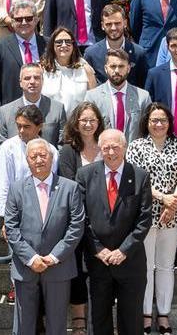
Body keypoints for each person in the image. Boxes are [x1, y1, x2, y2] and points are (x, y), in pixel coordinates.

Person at [5, 137, 85, 335]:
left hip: (59, 265)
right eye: (34, 156)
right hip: (26, 265)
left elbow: (76, 227)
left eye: (43, 155)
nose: (39, 160)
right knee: (24, 324)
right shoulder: (16, 189)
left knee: (57, 323)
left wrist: (54, 256)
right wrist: (31, 258)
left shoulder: (69, 187)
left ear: (51, 158)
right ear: (27, 160)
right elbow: (11, 228)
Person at [76, 129, 152, 335]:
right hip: (98, 262)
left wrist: (124, 250)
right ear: (100, 149)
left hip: (130, 262)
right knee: (99, 320)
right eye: (106, 147)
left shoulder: (140, 176)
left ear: (125, 148)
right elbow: (81, 218)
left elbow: (144, 220)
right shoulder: (85, 175)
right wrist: (98, 249)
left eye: (115, 147)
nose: (111, 152)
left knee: (131, 320)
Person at [125, 104, 177, 335]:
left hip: (173, 215)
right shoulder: (136, 146)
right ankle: (145, 315)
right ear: (147, 122)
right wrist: (164, 198)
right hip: (145, 215)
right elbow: (135, 178)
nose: (158, 124)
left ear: (169, 122)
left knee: (165, 266)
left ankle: (163, 314)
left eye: (162, 120)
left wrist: (174, 202)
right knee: (146, 266)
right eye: (154, 120)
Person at [56, 101, 103, 333]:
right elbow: (69, 184)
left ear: (99, 122)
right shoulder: (67, 150)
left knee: (101, 271)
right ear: (76, 122)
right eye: (83, 120)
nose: (87, 124)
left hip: (104, 222)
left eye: (92, 120)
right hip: (75, 221)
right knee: (75, 270)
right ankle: (78, 320)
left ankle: (102, 318)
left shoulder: (106, 146)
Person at [0, 46, 66, 145]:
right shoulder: (5, 112)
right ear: (20, 82)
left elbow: (62, 144)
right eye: (27, 78)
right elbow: (1, 147)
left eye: (36, 78)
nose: (32, 82)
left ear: (42, 81)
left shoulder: (57, 109)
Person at [84, 49, 153, 140]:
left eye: (121, 66)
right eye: (113, 66)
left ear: (128, 68)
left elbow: (149, 130)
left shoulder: (143, 97)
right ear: (105, 68)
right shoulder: (92, 97)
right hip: (103, 151)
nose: (117, 70)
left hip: (133, 152)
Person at [0, 104, 52, 212]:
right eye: (19, 126)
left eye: (26, 127)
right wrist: (5, 216)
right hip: (16, 209)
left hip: (44, 210)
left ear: (39, 127)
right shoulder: (7, 148)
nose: (21, 130)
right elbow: (4, 184)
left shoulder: (51, 150)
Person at [82, 3, 148, 86]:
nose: (113, 28)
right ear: (102, 26)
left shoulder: (139, 53)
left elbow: (143, 85)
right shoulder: (91, 54)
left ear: (125, 23)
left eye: (117, 23)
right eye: (108, 24)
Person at [39, 26, 98, 117]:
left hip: (76, 125)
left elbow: (94, 102)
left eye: (68, 42)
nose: (63, 45)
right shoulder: (42, 69)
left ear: (73, 45)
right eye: (59, 42)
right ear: (52, 45)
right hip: (49, 124)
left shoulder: (85, 69)